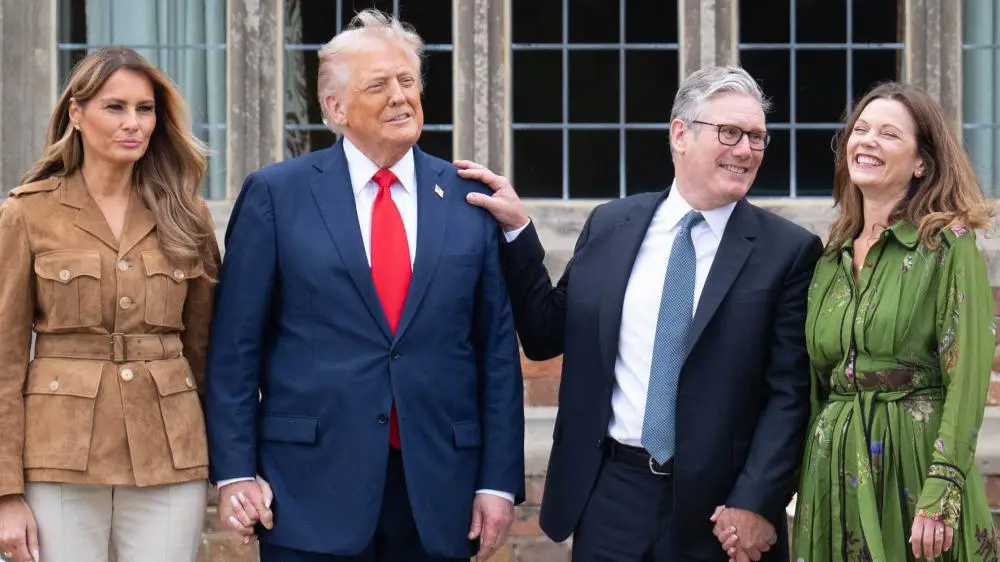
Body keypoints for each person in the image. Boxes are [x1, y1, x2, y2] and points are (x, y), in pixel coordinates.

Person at [459, 64, 823, 561]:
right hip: (612, 495)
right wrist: (519, 230)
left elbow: (790, 394)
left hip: (722, 513)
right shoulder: (612, 224)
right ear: (680, 134)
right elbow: (546, 334)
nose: (746, 150)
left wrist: (756, 501)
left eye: (757, 137)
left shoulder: (789, 251)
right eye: (730, 133)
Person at [203, 9, 525, 562]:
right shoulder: (277, 196)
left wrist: (496, 482)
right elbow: (235, 350)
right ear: (335, 107)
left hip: (436, 490)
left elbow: (496, 354)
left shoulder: (470, 200)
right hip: (306, 488)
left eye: (408, 82)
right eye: (379, 85)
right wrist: (234, 471)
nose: (401, 96)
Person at [0, 47, 219, 562]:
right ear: (76, 114)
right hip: (57, 453)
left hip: (170, 451)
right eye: (114, 107)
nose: (134, 123)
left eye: (145, 109)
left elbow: (208, 350)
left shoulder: (187, 214)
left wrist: (231, 462)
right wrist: (5, 491)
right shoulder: (28, 214)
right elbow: (4, 362)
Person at [788, 82, 1000, 561]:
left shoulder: (948, 245)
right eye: (860, 130)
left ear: (921, 162)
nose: (867, 141)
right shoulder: (830, 260)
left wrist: (942, 489)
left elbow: (967, 377)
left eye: (888, 134)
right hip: (833, 469)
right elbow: (816, 386)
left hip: (914, 462)